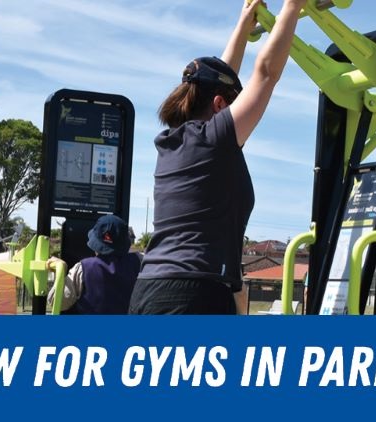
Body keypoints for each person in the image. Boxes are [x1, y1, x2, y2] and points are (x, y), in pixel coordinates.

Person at [132, 0, 307, 315]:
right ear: (218, 105)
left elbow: (224, 74)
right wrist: (293, 6)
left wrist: (244, 20)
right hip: (192, 294)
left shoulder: (176, 142)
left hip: (149, 290)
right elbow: (266, 74)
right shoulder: (214, 139)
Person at [49, 215, 143, 314]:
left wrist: (61, 270)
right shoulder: (139, 262)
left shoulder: (82, 268)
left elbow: (57, 302)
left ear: (95, 245)